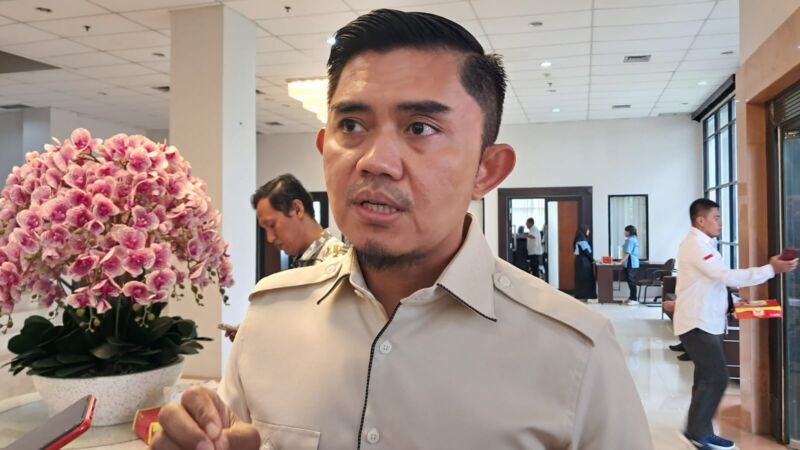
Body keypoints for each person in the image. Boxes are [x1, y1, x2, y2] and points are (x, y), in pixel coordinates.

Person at [152, 9, 652, 450]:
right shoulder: (270, 317)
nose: (375, 161)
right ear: (324, 148)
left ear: (486, 170)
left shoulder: (575, 351)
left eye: (420, 128)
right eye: (352, 126)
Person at [674, 198, 797, 450]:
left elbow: (713, 284)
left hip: (705, 321)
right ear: (701, 220)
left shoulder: (703, 245)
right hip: (698, 323)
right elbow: (726, 276)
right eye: (716, 218)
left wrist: (734, 302)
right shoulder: (696, 245)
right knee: (717, 377)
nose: (720, 223)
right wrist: (771, 269)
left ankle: (698, 431)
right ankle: (698, 433)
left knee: (706, 378)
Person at [224, 174, 348, 341]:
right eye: (265, 229)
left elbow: (331, 335)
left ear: (297, 209)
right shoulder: (301, 263)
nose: (270, 238)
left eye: (272, 225)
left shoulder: (337, 262)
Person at [573, 224, 597, 301]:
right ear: (584, 230)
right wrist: (593, 260)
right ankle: (584, 296)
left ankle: (583, 296)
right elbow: (586, 252)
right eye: (587, 230)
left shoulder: (581, 238)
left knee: (583, 278)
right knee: (585, 278)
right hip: (583, 261)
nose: (589, 231)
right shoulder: (582, 240)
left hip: (582, 261)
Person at [619, 225, 640, 306]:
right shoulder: (633, 239)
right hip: (631, 263)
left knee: (631, 281)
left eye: (625, 231)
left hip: (631, 263)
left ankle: (634, 299)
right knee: (630, 280)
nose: (624, 233)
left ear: (629, 232)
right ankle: (631, 297)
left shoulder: (630, 240)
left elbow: (627, 253)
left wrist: (620, 262)